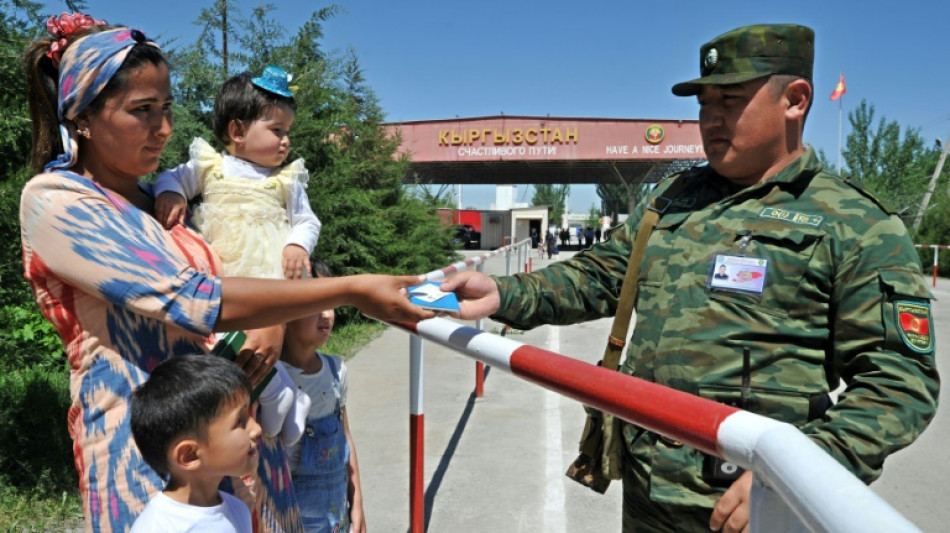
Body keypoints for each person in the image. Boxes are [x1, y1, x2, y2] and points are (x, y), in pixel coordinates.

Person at [441, 23, 939, 533]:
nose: (710, 119)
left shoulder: (856, 224)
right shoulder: (672, 199)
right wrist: (503, 291)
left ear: (795, 100)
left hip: (755, 506)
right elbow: (599, 277)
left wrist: (803, 470)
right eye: (703, 103)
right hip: (647, 491)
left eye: (730, 100)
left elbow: (899, 382)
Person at [21, 15, 433, 533]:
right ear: (82, 118)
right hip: (151, 451)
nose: (164, 128)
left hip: (237, 435)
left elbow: (235, 284)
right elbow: (192, 298)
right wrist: (352, 290)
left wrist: (269, 327)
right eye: (142, 111)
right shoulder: (58, 201)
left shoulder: (162, 200)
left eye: (167, 108)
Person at [154, 65, 321, 281]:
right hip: (216, 267)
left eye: (287, 131)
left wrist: (297, 245)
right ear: (238, 131)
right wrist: (172, 193)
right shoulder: (212, 166)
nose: (286, 140)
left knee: (298, 308)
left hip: (271, 273)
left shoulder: (284, 179)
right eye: (277, 130)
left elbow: (306, 221)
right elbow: (172, 177)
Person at [129, 356, 260, 533]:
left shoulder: (238, 510)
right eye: (239, 421)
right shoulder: (157, 528)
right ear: (189, 455)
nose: (257, 429)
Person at [281, 261, 365, 533]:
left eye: (331, 304)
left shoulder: (336, 371)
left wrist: (358, 505)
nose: (327, 315)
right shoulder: (273, 378)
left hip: (336, 515)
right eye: (316, 304)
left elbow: (346, 438)